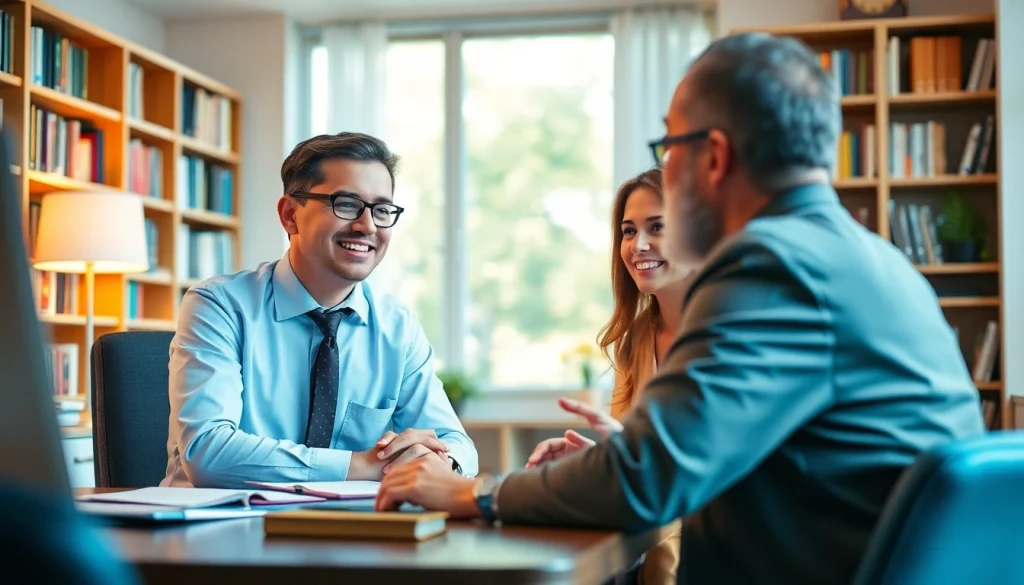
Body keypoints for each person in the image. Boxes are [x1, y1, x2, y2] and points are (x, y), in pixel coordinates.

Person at [372, 32, 986, 585]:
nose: (665, 169)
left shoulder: (770, 265)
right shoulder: (875, 260)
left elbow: (645, 480)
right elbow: (710, 462)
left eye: (670, 145)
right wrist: (610, 463)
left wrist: (475, 493)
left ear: (714, 156)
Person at [162, 132, 478, 488]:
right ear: (290, 215)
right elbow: (209, 453)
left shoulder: (396, 327)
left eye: (381, 210)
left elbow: (456, 443)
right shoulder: (218, 306)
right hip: (220, 518)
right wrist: (364, 465)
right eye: (347, 204)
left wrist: (439, 462)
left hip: (347, 521)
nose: (367, 226)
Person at [525, 169, 695, 585]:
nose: (638, 245)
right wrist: (593, 461)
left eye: (658, 227)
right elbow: (632, 455)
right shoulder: (635, 339)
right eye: (628, 231)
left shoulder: (727, 332)